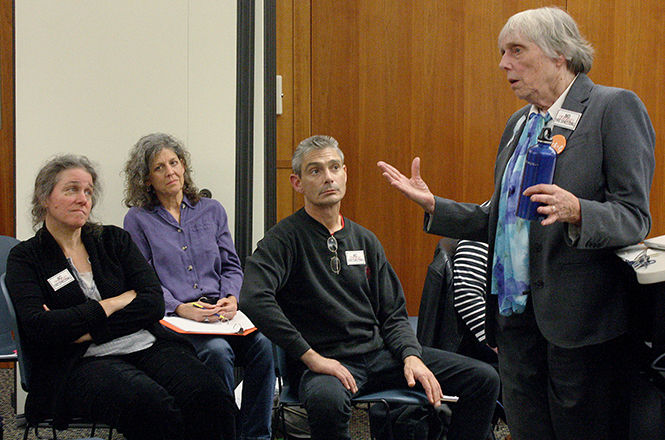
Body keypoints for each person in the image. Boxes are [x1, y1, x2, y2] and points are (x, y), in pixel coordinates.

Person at [378, 6, 655, 440]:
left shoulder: (611, 108)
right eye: (502, 52)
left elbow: (634, 217)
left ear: (559, 55)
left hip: (579, 322)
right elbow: (502, 218)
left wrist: (579, 210)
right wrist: (436, 205)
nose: (503, 63)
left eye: (516, 51)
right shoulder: (519, 124)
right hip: (513, 318)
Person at [240, 135, 500, 440]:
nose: (327, 177)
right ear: (297, 183)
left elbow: (393, 313)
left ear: (345, 174)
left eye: (334, 167)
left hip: (380, 356)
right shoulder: (283, 240)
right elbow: (253, 298)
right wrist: (309, 356)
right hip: (325, 365)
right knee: (327, 403)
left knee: (483, 379)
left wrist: (410, 355)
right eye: (315, 171)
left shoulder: (365, 240)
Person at [5, 155, 237, 440]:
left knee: (211, 396)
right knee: (153, 408)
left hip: (148, 345)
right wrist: (112, 303)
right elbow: (41, 327)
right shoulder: (26, 257)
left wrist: (83, 328)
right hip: (80, 363)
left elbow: (151, 303)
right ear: (44, 198)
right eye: (71, 190)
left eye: (88, 191)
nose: (83, 199)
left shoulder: (113, 240)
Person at [122, 133, 275, 440]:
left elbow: (232, 265)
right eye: (159, 167)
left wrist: (232, 297)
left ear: (184, 166)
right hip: (175, 317)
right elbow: (144, 280)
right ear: (146, 179)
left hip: (220, 311)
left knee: (264, 346)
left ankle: (257, 435)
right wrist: (180, 307)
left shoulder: (212, 210)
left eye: (174, 162)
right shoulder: (137, 220)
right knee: (218, 353)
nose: (170, 172)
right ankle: (221, 432)